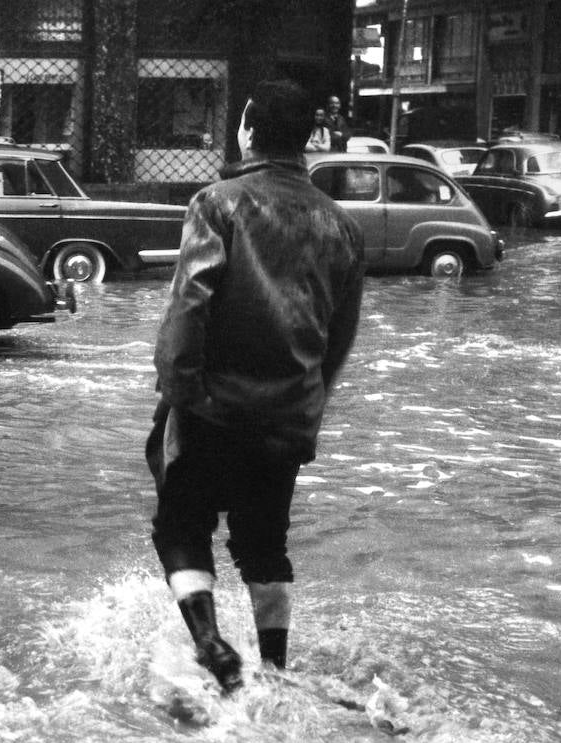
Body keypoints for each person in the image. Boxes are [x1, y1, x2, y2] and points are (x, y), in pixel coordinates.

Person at [146, 79, 365, 693]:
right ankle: (275, 670)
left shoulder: (217, 203)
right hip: (286, 416)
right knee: (265, 545)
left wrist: (180, 390)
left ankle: (211, 643)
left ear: (247, 128)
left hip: (211, 405)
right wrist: (306, 408)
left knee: (182, 529)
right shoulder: (342, 227)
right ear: (307, 139)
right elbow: (338, 337)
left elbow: (190, 306)